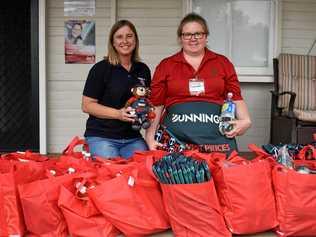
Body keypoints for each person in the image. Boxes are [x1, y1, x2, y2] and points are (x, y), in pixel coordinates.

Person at [145, 13, 251, 153]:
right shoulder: (166, 65)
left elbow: (235, 96)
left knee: (224, 172)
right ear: (180, 38)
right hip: (176, 139)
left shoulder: (222, 63)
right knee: (178, 174)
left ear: (206, 36)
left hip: (216, 140)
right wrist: (149, 137)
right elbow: (156, 104)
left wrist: (245, 120)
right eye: (187, 34)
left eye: (198, 34)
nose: (193, 38)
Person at [82, 20, 151, 159]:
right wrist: (118, 114)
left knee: (144, 167)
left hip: (132, 138)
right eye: (119, 37)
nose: (125, 41)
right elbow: (87, 105)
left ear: (136, 40)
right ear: (113, 43)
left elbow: (145, 101)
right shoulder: (100, 69)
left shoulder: (143, 70)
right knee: (112, 172)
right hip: (102, 136)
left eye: (129, 36)